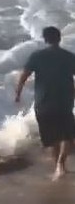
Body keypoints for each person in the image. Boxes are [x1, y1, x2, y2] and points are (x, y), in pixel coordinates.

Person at [15, 26, 75, 181]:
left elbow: (24, 76)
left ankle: (58, 165)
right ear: (59, 38)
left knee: (52, 137)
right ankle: (61, 164)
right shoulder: (69, 57)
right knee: (68, 136)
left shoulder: (37, 56)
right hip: (64, 102)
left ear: (45, 39)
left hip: (43, 103)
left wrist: (18, 94)